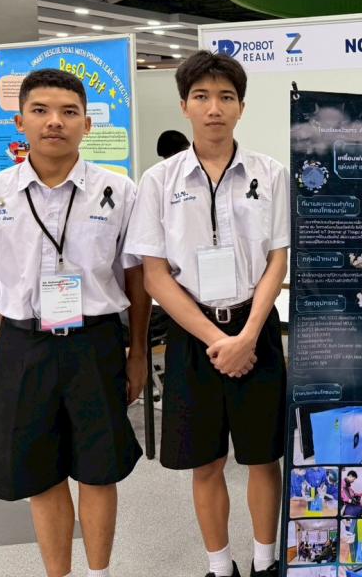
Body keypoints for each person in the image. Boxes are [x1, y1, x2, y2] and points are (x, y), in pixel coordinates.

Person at [0, 68, 148, 577]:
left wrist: (138, 353)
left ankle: (99, 573)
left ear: (87, 124)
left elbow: (135, 278)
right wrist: (17, 309)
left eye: (68, 112)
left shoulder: (118, 191)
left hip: (95, 343)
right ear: (20, 122)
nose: (54, 121)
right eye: (40, 111)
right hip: (26, 347)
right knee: (41, 472)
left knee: (99, 471)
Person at [125, 51, 289, 577]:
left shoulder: (271, 173)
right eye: (201, 97)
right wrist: (218, 340)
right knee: (206, 460)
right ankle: (220, 566)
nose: (213, 108)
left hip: (255, 327)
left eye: (225, 97)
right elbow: (154, 275)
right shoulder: (158, 180)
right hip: (192, 332)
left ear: (241, 107)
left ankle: (265, 562)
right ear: (184, 106)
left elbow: (278, 260)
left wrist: (247, 335)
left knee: (263, 456)